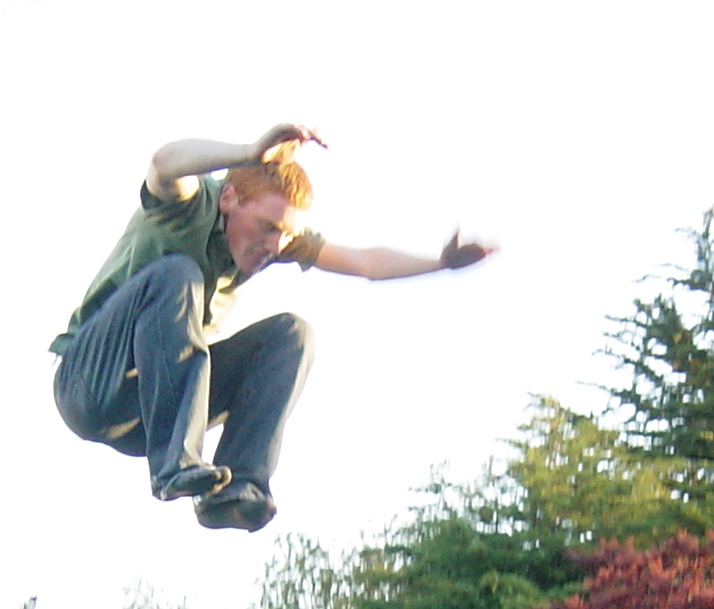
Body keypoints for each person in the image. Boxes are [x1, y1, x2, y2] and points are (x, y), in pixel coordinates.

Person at [49, 123, 495, 532]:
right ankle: (174, 466)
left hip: (147, 416)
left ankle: (237, 487)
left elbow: (365, 263)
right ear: (228, 199)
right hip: (89, 385)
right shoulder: (187, 206)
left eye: (284, 236)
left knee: (291, 335)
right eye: (266, 228)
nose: (273, 247)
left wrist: (441, 264)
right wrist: (248, 152)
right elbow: (163, 163)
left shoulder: (278, 242)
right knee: (177, 275)